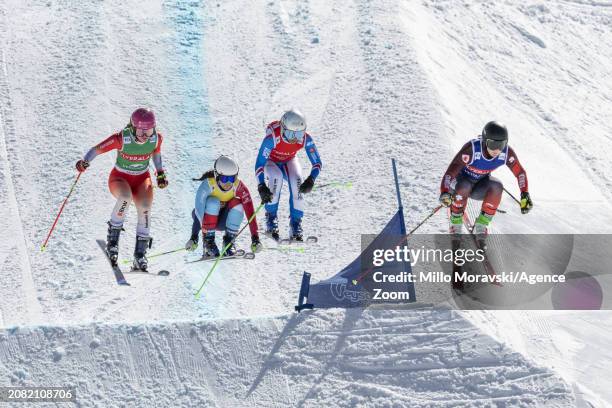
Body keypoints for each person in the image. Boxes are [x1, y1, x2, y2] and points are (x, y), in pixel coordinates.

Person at [75, 108, 168, 271]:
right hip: (120, 178)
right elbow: (97, 149)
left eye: (149, 131)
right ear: (132, 128)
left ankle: (139, 255)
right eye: (140, 132)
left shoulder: (156, 139)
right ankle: (113, 242)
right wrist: (85, 161)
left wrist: (160, 173)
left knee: (145, 209)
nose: (145, 136)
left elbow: (156, 154)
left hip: (141, 178)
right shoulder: (122, 139)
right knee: (125, 198)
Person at [439, 121, 533, 235]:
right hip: (458, 184)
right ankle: (455, 223)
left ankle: (482, 224)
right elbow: (450, 173)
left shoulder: (506, 153)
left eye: (501, 145)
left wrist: (524, 194)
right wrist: (444, 192)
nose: (497, 150)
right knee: (464, 186)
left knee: (497, 187)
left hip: (478, 187)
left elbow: (520, 173)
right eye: (493, 145)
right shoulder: (472, 150)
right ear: (484, 141)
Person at [254, 109, 322, 241]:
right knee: (276, 177)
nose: (294, 139)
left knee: (297, 181)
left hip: (289, 160)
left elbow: (317, 163)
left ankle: (296, 225)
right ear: (283, 129)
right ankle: (271, 219)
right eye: (291, 134)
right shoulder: (272, 138)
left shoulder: (305, 139)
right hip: (271, 161)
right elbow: (259, 164)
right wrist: (261, 186)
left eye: (299, 134)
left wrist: (311, 179)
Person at [186, 155, 262, 257]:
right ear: (217, 175)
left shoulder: (238, 187)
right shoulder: (208, 185)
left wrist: (255, 238)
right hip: (204, 219)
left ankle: (229, 244)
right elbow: (198, 212)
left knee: (238, 203)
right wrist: (194, 237)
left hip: (222, 222)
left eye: (232, 178)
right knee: (213, 202)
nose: (228, 183)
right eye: (225, 178)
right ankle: (209, 243)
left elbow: (250, 213)